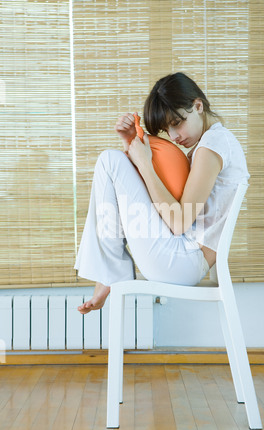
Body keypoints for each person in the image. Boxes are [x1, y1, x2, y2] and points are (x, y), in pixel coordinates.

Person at [75, 72, 250, 313]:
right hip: (181, 256)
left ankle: (110, 274)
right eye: (167, 131)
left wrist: (145, 164)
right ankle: (109, 273)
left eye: (177, 123)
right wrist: (133, 152)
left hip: (183, 261)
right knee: (114, 162)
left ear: (198, 106)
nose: (175, 137)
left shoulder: (212, 146)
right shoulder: (214, 143)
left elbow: (178, 222)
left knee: (109, 161)